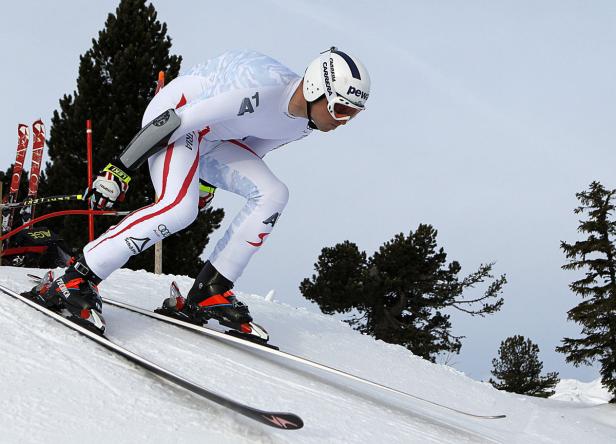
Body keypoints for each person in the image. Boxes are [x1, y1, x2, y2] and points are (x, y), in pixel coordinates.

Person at [25, 47, 371, 335]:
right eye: (340, 109)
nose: (343, 121)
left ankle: (211, 289)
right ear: (314, 89)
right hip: (175, 117)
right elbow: (179, 121)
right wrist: (120, 169)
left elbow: (251, 147)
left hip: (213, 137)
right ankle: (76, 278)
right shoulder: (260, 88)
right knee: (179, 208)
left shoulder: (303, 124)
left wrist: (207, 181)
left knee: (273, 194)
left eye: (353, 115)